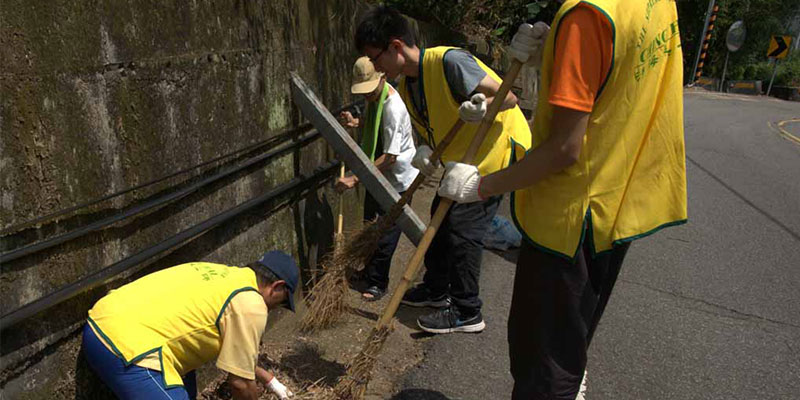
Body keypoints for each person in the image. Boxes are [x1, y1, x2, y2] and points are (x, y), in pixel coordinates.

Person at [437, 0, 688, 398]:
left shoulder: (587, 15)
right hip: (618, 203)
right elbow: (615, 73)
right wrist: (553, 54)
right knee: (568, 344)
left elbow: (564, 148)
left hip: (571, 221)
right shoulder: (654, 4)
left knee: (542, 366)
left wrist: (480, 186)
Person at [354, 6, 532, 334]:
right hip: (460, 160)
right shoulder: (407, 85)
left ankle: (467, 310)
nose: (376, 68)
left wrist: (480, 109)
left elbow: (508, 100)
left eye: (376, 59)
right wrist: (426, 151)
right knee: (440, 216)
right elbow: (431, 123)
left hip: (493, 153)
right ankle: (436, 290)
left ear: (395, 47)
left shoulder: (449, 62)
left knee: (464, 228)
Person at [81, 251, 300, 399]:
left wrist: (268, 379)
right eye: (280, 304)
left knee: (188, 383)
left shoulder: (222, 274)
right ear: (276, 287)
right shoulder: (252, 304)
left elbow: (236, 353)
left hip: (100, 324)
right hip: (124, 348)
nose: (273, 310)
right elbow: (240, 383)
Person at [336, 56, 419, 301]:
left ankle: (378, 283)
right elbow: (375, 125)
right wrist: (356, 122)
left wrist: (355, 179)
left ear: (382, 77)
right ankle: (368, 274)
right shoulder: (377, 99)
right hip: (378, 177)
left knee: (385, 234)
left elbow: (390, 157)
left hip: (398, 182)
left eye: (370, 90)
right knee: (371, 226)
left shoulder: (393, 107)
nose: (367, 96)